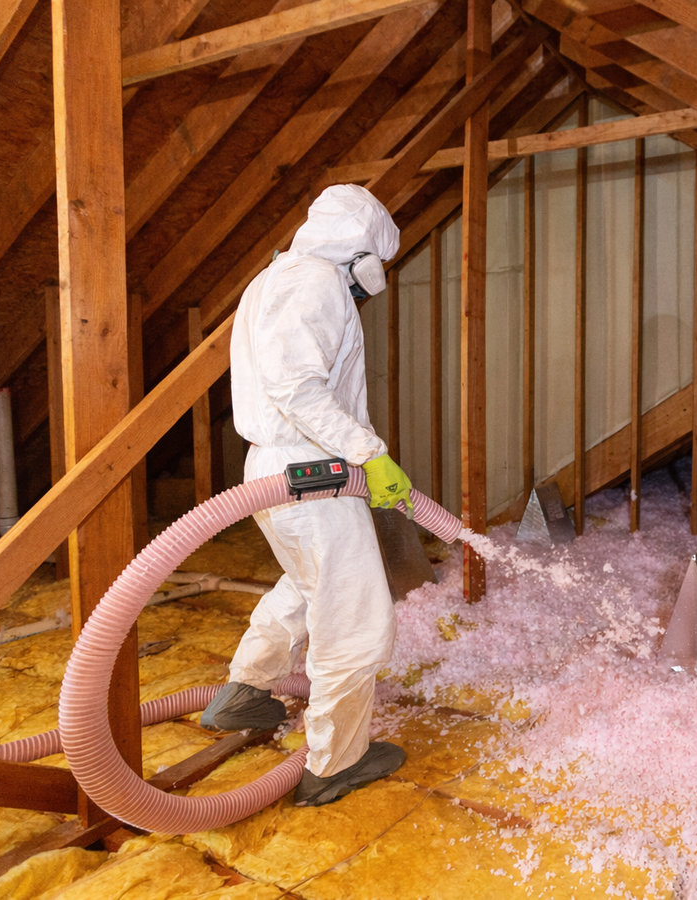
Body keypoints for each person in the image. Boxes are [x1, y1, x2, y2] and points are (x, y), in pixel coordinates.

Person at [200, 183, 415, 807]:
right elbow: (297, 388)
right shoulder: (319, 282)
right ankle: (337, 762)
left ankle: (246, 691)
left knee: (307, 583)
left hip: (275, 467)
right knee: (353, 615)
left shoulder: (271, 279)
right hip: (312, 468)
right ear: (361, 253)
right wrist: (369, 453)